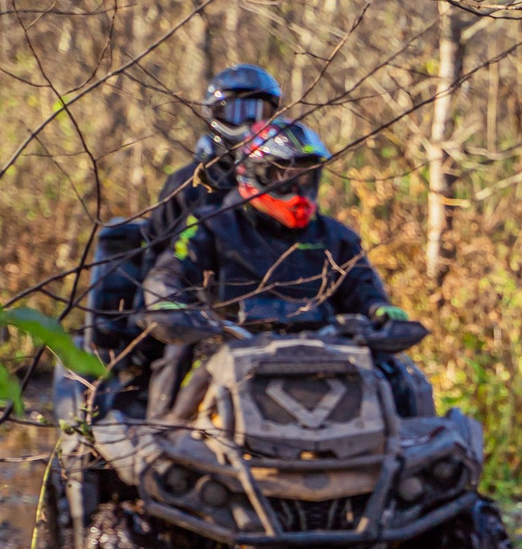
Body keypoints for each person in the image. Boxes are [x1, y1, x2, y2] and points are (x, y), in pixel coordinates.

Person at [140, 120, 427, 412]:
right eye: (285, 176)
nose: (298, 189)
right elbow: (170, 271)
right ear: (254, 174)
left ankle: (411, 445)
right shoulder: (211, 224)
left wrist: (380, 310)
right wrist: (169, 303)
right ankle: (159, 438)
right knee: (178, 358)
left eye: (306, 178)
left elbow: (363, 290)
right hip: (227, 345)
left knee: (402, 377)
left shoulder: (336, 236)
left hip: (326, 350)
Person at [138, 64, 284, 257]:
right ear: (216, 115)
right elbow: (154, 254)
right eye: (238, 112)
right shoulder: (186, 184)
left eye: (259, 113)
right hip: (199, 282)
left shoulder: (281, 180)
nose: (249, 123)